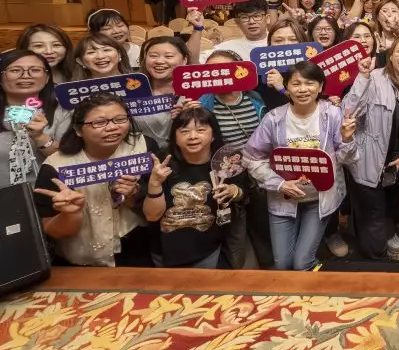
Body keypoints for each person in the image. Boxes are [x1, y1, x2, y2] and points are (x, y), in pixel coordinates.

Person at [242, 61, 357, 271]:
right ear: (286, 87)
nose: (303, 89)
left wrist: (347, 139)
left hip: (319, 199)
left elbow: (345, 159)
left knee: (301, 263)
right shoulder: (274, 119)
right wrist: (279, 184)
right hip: (283, 199)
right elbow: (251, 157)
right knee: (283, 265)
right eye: (296, 84)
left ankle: (314, 275)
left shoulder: (332, 115)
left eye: (310, 83)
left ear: (320, 87)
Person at [33, 92, 157, 266]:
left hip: (135, 250)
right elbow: (53, 231)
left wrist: (133, 195)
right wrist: (71, 213)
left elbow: (155, 208)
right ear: (78, 129)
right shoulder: (55, 168)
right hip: (80, 260)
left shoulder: (143, 146)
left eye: (120, 119)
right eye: (99, 122)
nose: (112, 127)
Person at [343, 37, 399, 261]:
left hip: (393, 163)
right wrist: (363, 78)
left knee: (386, 207)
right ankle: (376, 262)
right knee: (373, 216)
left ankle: (379, 243)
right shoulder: (374, 78)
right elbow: (348, 110)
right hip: (367, 159)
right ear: (390, 56)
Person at [196, 49, 272, 269]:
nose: (219, 74)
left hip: (258, 169)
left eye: (225, 68)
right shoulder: (203, 103)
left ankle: (269, 264)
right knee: (235, 226)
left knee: (262, 220)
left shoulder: (255, 97)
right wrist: (188, 115)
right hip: (226, 174)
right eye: (212, 70)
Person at [143, 108, 244, 268]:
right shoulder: (161, 165)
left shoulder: (226, 162)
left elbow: (244, 193)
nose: (193, 136)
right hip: (166, 250)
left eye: (201, 130)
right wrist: (154, 183)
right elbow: (152, 216)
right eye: (184, 131)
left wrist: (233, 191)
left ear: (213, 135)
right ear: (175, 137)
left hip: (209, 248)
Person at [1, 50, 59, 188]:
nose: (26, 76)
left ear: (47, 77)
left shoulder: (64, 112)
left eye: (35, 70)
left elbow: (71, 159)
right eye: (15, 70)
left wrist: (40, 138)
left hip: (54, 195)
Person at [199, 0, 271, 62]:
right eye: (245, 17)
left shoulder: (276, 42)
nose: (251, 22)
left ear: (267, 19)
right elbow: (197, 62)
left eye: (256, 16)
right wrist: (197, 27)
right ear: (237, 23)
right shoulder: (229, 47)